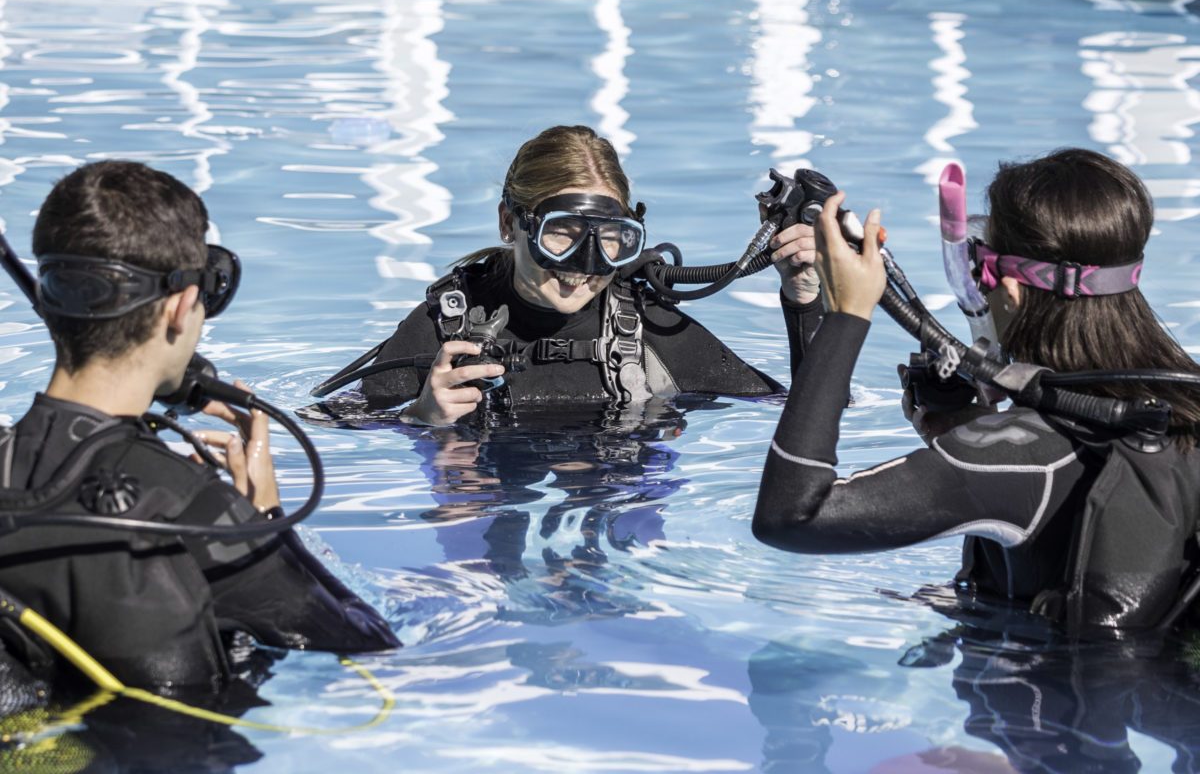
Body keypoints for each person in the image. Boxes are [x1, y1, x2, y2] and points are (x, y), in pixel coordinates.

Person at [753, 148, 1200, 633]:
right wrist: (964, 430)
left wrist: (846, 314)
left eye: (979, 263)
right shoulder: (1180, 405)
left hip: (1041, 680)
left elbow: (789, 516)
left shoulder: (1017, 458)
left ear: (1012, 291)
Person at [0, 161, 398, 696]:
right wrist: (264, 521)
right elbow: (367, 642)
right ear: (183, 306)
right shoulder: (190, 506)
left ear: (52, 298)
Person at [357, 125, 823, 424]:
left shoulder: (648, 329)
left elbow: (813, 414)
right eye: (562, 234)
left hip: (616, 500)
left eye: (613, 238)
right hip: (484, 497)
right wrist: (417, 417)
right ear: (509, 223)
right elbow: (335, 423)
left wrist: (804, 298)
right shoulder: (447, 326)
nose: (585, 264)